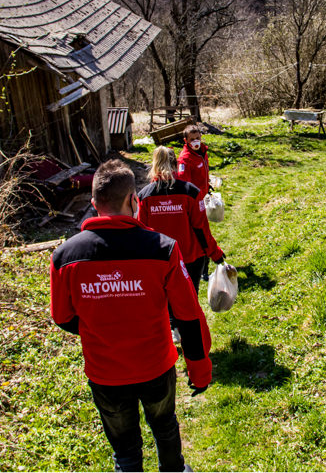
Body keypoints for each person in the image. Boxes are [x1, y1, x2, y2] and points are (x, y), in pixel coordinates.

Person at [50, 159, 211, 472]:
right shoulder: (163, 248)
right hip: (155, 366)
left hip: (105, 372)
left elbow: (62, 317)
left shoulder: (65, 256)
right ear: (133, 200)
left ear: (94, 204)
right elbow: (188, 313)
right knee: (164, 427)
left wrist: (104, 330)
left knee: (125, 450)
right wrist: (199, 365)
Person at [138, 146, 232, 343]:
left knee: (165, 294)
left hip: (160, 258)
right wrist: (214, 253)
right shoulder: (190, 192)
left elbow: (142, 232)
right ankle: (189, 333)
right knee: (189, 294)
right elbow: (201, 228)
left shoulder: (145, 196)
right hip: (190, 256)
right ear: (175, 164)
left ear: (154, 165)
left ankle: (173, 328)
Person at [175, 125, 212, 281]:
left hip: (202, 197)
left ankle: (204, 267)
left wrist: (207, 185)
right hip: (193, 203)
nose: (196, 141)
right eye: (192, 139)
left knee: (204, 232)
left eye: (198, 138)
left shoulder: (202, 151)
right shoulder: (185, 159)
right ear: (186, 140)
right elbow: (184, 184)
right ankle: (201, 270)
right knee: (200, 234)